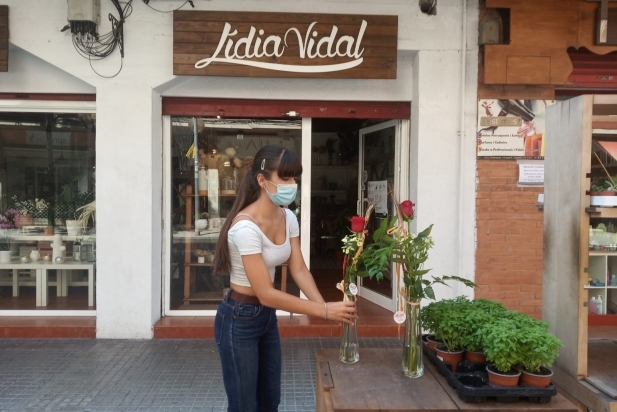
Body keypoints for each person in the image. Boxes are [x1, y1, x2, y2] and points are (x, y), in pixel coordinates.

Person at [213, 145, 357, 412]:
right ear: (262, 180)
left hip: (265, 318)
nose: (293, 185)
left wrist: (329, 311)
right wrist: (324, 311)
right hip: (238, 318)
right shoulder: (245, 228)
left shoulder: (288, 216)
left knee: (270, 401)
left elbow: (299, 269)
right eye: (286, 178)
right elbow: (266, 292)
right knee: (244, 405)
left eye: (295, 179)